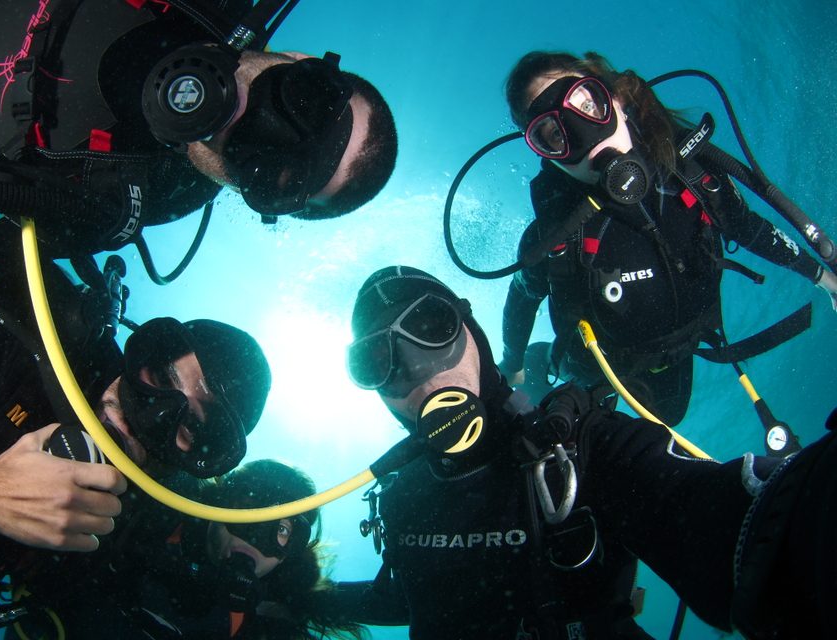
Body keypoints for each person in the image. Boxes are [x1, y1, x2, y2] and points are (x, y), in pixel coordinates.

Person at [337, 265, 837, 639]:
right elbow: (407, 597)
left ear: (474, 332)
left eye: (430, 325)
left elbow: (750, 531)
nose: (413, 368)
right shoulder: (401, 497)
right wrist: (302, 593)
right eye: (375, 359)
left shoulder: (578, 449)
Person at [0, 217, 272, 558]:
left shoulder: (127, 522)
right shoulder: (4, 343)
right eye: (165, 380)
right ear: (141, 356)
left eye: (190, 424)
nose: (153, 415)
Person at [0, 0, 398, 256]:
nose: (257, 122)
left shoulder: (128, 201)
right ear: (301, 59)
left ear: (247, 195)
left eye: (278, 172)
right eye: (303, 103)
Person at [497, 51, 837, 424]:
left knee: (671, 417)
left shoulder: (691, 174)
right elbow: (522, 296)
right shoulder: (554, 236)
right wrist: (512, 366)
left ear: (618, 100)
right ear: (550, 156)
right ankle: (540, 359)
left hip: (683, 346)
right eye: (553, 133)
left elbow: (747, 226)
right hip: (597, 367)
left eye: (586, 103)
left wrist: (824, 279)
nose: (584, 135)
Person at [0, 459, 365, 639]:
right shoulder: (141, 518)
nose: (253, 542)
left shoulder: (274, 619)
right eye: (247, 510)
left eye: (280, 534)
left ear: (293, 554)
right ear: (219, 502)